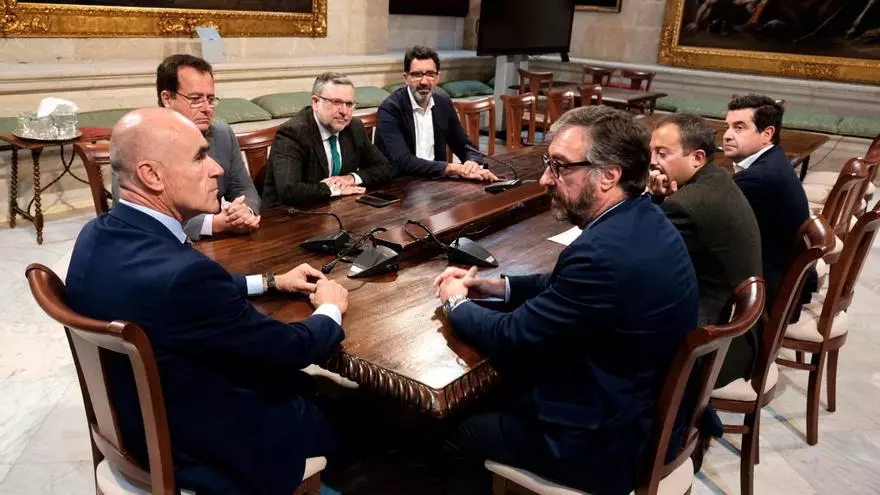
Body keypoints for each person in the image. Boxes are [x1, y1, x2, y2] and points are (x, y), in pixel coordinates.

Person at [66, 108, 350, 494]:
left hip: (135, 425)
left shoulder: (97, 233)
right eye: (200, 156)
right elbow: (287, 349)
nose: (217, 168)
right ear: (151, 175)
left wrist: (269, 281)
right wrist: (330, 308)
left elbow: (171, 297)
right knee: (364, 414)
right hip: (204, 449)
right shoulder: (185, 277)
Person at [434, 106, 699, 495]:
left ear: (608, 175)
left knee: (456, 427)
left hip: (604, 443)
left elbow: (511, 337)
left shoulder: (601, 254)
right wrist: (497, 287)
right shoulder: (643, 217)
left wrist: (456, 302)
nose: (546, 178)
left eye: (559, 167)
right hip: (642, 409)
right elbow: (564, 287)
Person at [648, 113, 762, 387]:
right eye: (651, 152)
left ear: (697, 158)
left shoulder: (687, 204)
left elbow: (641, 253)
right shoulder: (716, 178)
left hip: (713, 348)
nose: (652, 161)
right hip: (737, 331)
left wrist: (651, 199)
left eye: (662, 153)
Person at [111, 54, 262, 242]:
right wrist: (214, 224)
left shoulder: (222, 133)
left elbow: (244, 188)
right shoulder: (140, 139)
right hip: (160, 245)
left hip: (222, 243)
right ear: (167, 98)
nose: (207, 108)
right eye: (196, 99)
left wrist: (244, 212)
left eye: (210, 99)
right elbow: (137, 214)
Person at [724, 94, 815, 316]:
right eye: (727, 126)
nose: (727, 135)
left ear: (767, 134)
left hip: (769, 295)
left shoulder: (759, 178)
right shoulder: (775, 160)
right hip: (782, 277)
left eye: (739, 128)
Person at [262, 72, 393, 206]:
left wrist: (351, 178)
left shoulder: (354, 127)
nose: (344, 111)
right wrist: (334, 189)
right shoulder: (293, 132)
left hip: (336, 207)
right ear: (315, 102)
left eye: (349, 104)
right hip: (288, 213)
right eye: (336, 102)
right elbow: (289, 190)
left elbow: (385, 168)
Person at [375, 45, 498, 181]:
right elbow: (403, 161)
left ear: (437, 77)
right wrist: (452, 168)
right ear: (406, 78)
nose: (424, 82)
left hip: (436, 182)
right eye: (417, 75)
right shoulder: (390, 109)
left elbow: (464, 145)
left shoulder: (443, 103)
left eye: (430, 74)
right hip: (401, 184)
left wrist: (472, 162)